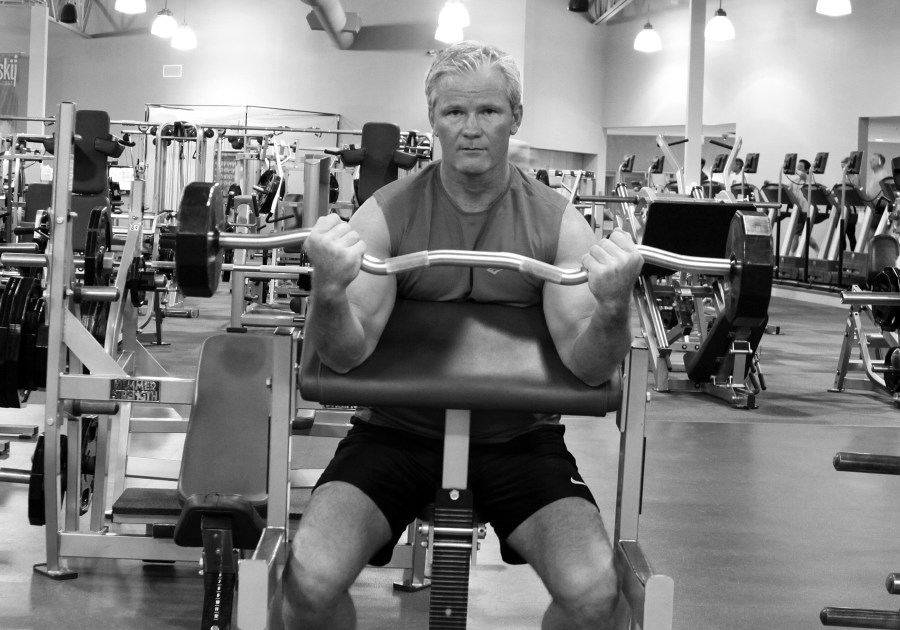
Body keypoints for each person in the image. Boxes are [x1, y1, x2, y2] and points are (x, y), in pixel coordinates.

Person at [281, 41, 643, 630]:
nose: (471, 129)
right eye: (454, 112)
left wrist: (613, 304)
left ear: (515, 118)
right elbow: (346, 354)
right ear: (433, 119)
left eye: (488, 111)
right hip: (396, 434)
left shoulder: (557, 223)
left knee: (596, 599)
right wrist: (327, 288)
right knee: (309, 585)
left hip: (519, 440)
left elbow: (590, 367)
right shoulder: (386, 214)